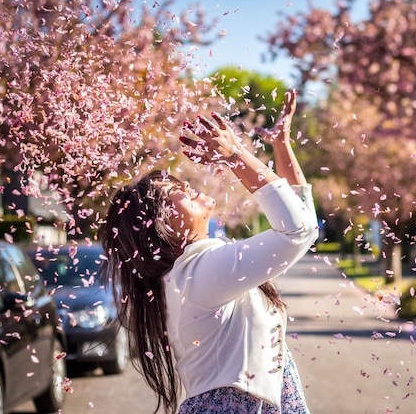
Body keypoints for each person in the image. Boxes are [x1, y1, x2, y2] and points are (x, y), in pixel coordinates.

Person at [100, 89, 318, 414]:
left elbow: (301, 222)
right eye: (173, 190)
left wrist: (280, 145)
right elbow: (298, 230)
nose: (186, 185)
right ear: (157, 226)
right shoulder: (196, 274)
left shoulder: (191, 273)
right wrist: (234, 155)